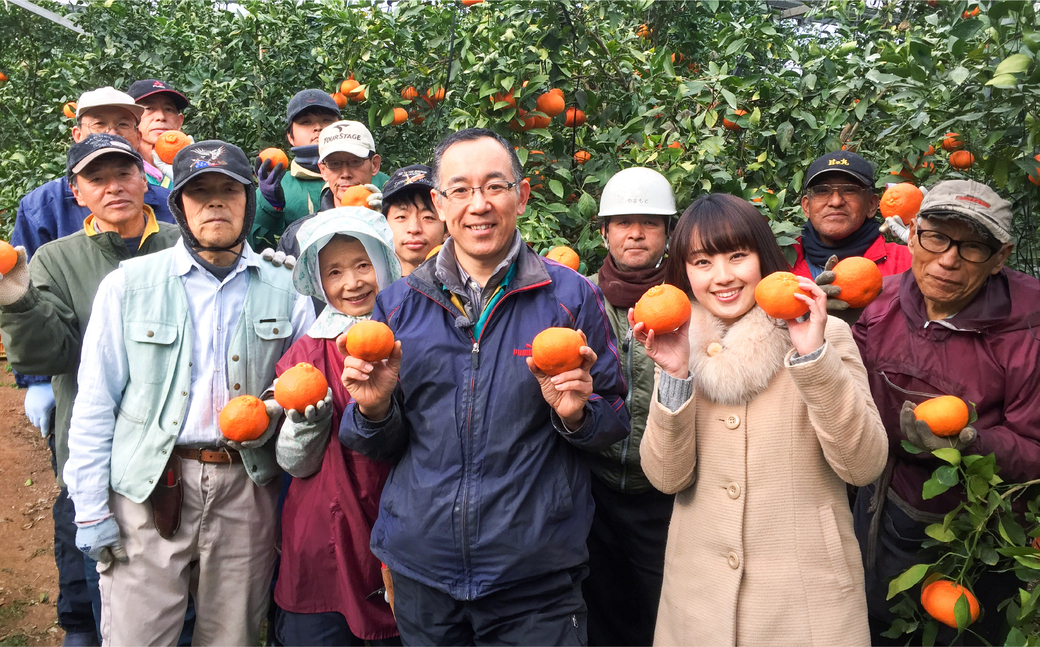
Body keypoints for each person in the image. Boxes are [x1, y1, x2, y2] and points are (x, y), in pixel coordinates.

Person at [338, 128, 630, 645]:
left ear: (521, 195)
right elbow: (374, 445)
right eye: (461, 190)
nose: (479, 205)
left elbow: (614, 423)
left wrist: (577, 415)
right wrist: (375, 410)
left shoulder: (570, 297)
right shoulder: (398, 305)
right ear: (439, 202)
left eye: (495, 187)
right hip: (423, 571)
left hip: (533, 577)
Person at [63, 140, 314, 645]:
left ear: (249, 202)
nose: (215, 202)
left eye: (229, 191)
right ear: (178, 205)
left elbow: (301, 390)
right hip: (149, 484)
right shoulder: (129, 285)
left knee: (232, 636)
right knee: (138, 635)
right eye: (199, 193)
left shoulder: (288, 290)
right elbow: (95, 403)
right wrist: (90, 509)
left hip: (247, 487)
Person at [636, 193, 887, 645]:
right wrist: (675, 375)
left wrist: (813, 358)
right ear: (684, 272)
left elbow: (864, 465)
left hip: (807, 602)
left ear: (764, 258)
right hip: (698, 602)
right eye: (702, 262)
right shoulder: (678, 343)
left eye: (738, 255)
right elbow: (666, 478)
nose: (723, 277)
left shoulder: (823, 333)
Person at [0, 134, 180, 647]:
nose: (113, 187)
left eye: (123, 174)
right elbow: (46, 355)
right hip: (100, 454)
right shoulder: (56, 259)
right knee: (116, 598)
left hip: (174, 452)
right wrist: (18, 303)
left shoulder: (179, 242)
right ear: (77, 192)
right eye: (96, 179)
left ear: (143, 179)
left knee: (181, 596)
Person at [851, 179, 1040, 645]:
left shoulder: (1028, 328)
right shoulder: (879, 303)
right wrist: (830, 327)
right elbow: (848, 397)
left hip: (975, 529)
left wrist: (974, 442)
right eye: (936, 236)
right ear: (912, 235)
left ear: (1001, 257)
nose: (949, 258)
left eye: (973, 246)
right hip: (882, 507)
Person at [272, 207, 400, 646]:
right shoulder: (306, 354)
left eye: (363, 264)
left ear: (384, 263)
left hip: (396, 523)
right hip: (323, 529)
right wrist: (304, 429)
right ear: (317, 280)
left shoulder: (414, 336)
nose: (352, 283)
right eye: (335, 271)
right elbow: (295, 464)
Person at [582, 167, 677, 646]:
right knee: (601, 612)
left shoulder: (691, 301)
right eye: (623, 222)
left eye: (650, 223)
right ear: (604, 232)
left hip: (665, 493)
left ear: (667, 233)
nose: (636, 233)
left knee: (662, 614)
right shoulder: (577, 297)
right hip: (593, 489)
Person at [251, 92, 390, 250]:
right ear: (290, 136)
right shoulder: (277, 186)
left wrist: (387, 217)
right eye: (306, 122)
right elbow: (256, 250)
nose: (318, 127)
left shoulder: (382, 183)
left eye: (327, 120)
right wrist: (269, 207)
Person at [275, 120, 389, 260]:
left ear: (375, 165)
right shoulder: (299, 235)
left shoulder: (395, 226)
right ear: (323, 170)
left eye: (355, 162)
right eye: (334, 164)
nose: (345, 173)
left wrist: (385, 226)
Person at [791, 151, 911, 280]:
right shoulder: (780, 262)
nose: (836, 202)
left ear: (871, 204)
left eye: (849, 190)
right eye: (822, 191)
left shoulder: (908, 263)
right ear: (806, 206)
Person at [379, 164, 447, 275]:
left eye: (427, 217)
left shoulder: (462, 288)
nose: (414, 229)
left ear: (447, 230)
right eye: (401, 217)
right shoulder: (372, 287)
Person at [127, 78, 191, 187]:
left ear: (179, 121)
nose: (161, 117)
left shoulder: (193, 167)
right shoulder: (123, 170)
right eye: (149, 108)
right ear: (129, 118)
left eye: (168, 109)